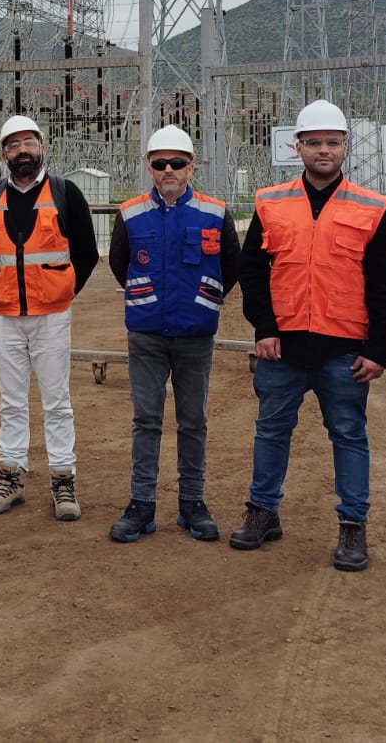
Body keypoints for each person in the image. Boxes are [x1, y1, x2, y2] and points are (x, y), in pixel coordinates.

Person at [231, 99, 386, 571]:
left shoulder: (370, 208)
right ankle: (263, 511)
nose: (323, 150)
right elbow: (252, 272)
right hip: (282, 346)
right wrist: (263, 328)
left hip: (343, 351)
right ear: (297, 147)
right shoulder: (271, 203)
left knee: (348, 435)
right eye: (313, 143)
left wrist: (379, 349)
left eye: (332, 142)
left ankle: (352, 527)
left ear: (346, 146)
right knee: (271, 430)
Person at [106, 125, 239, 542]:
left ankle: (192, 503)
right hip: (146, 334)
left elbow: (230, 267)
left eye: (177, 163)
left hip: (194, 333)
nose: (168, 170)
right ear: (149, 167)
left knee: (193, 420)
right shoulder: (130, 214)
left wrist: (201, 304)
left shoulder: (214, 212)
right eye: (160, 163)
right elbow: (119, 264)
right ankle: (141, 504)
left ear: (191, 167)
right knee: (146, 419)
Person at [0, 115, 99, 522]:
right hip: (4, 316)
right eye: (13, 145)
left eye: (29, 142)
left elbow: (86, 251)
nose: (22, 150)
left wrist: (61, 292)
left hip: (51, 316)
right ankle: (10, 475)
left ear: (42, 147)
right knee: (11, 402)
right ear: (4, 154)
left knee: (57, 401)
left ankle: (63, 479)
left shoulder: (65, 193)